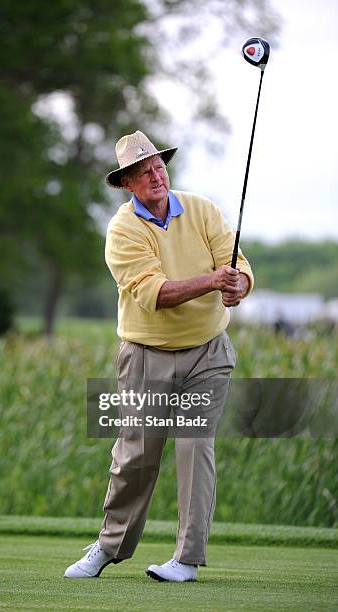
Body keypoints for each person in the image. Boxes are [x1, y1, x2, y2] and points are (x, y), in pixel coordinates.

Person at [64, 130, 254, 582]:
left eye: (158, 166)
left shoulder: (202, 209)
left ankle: (186, 560)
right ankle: (110, 547)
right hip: (146, 355)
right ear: (127, 182)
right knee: (137, 456)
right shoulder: (123, 229)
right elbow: (155, 294)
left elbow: (240, 266)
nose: (154, 175)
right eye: (142, 171)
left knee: (193, 447)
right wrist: (213, 281)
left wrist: (236, 287)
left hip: (208, 353)